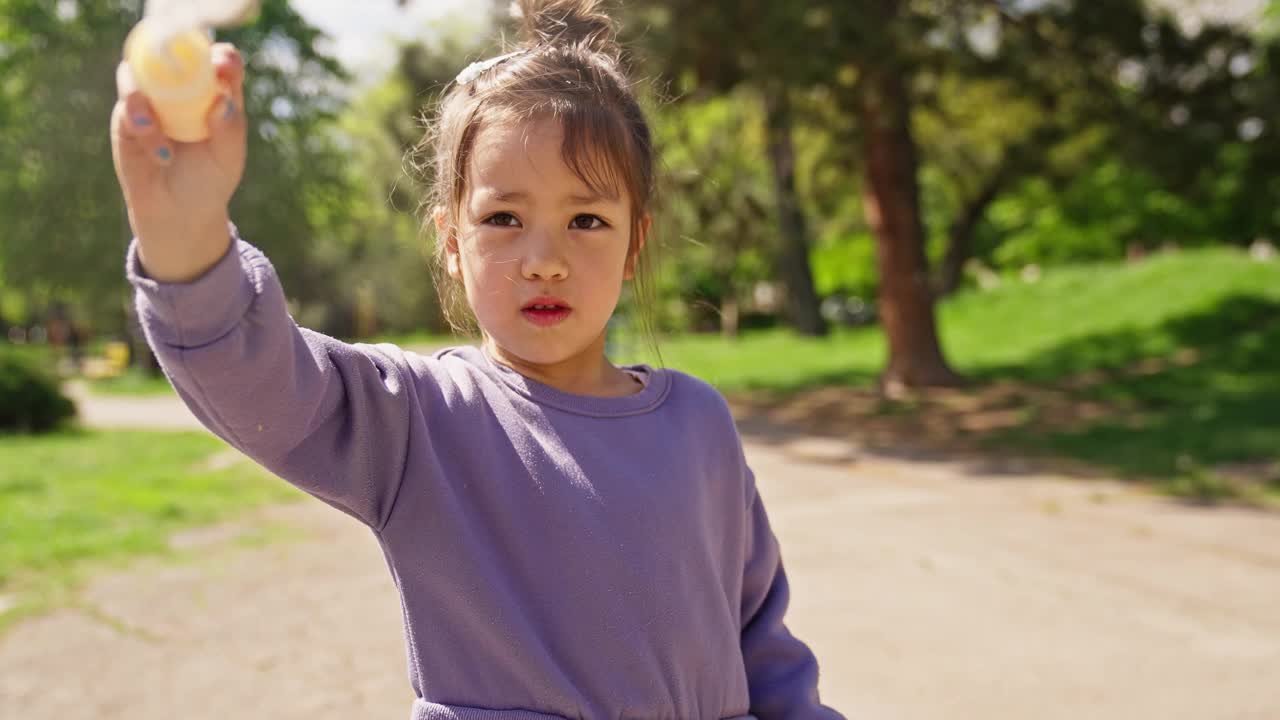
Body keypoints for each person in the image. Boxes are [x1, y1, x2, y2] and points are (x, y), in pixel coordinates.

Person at [109, 1, 845, 717]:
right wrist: (189, 236)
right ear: (452, 244)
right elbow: (255, 383)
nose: (545, 260)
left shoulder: (698, 422)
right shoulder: (418, 419)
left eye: (587, 219)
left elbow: (764, 649)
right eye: (503, 219)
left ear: (635, 244)